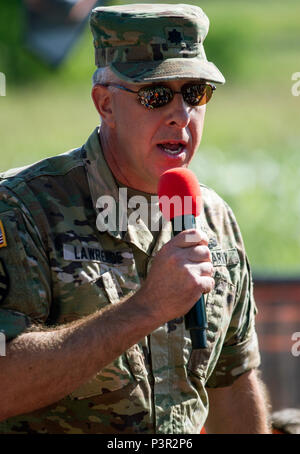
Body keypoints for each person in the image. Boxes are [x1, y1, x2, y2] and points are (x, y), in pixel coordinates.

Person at [0, 4, 270, 434]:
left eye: (195, 93)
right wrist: (146, 308)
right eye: (156, 95)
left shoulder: (214, 217)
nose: (180, 114)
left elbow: (232, 382)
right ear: (105, 103)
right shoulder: (21, 209)